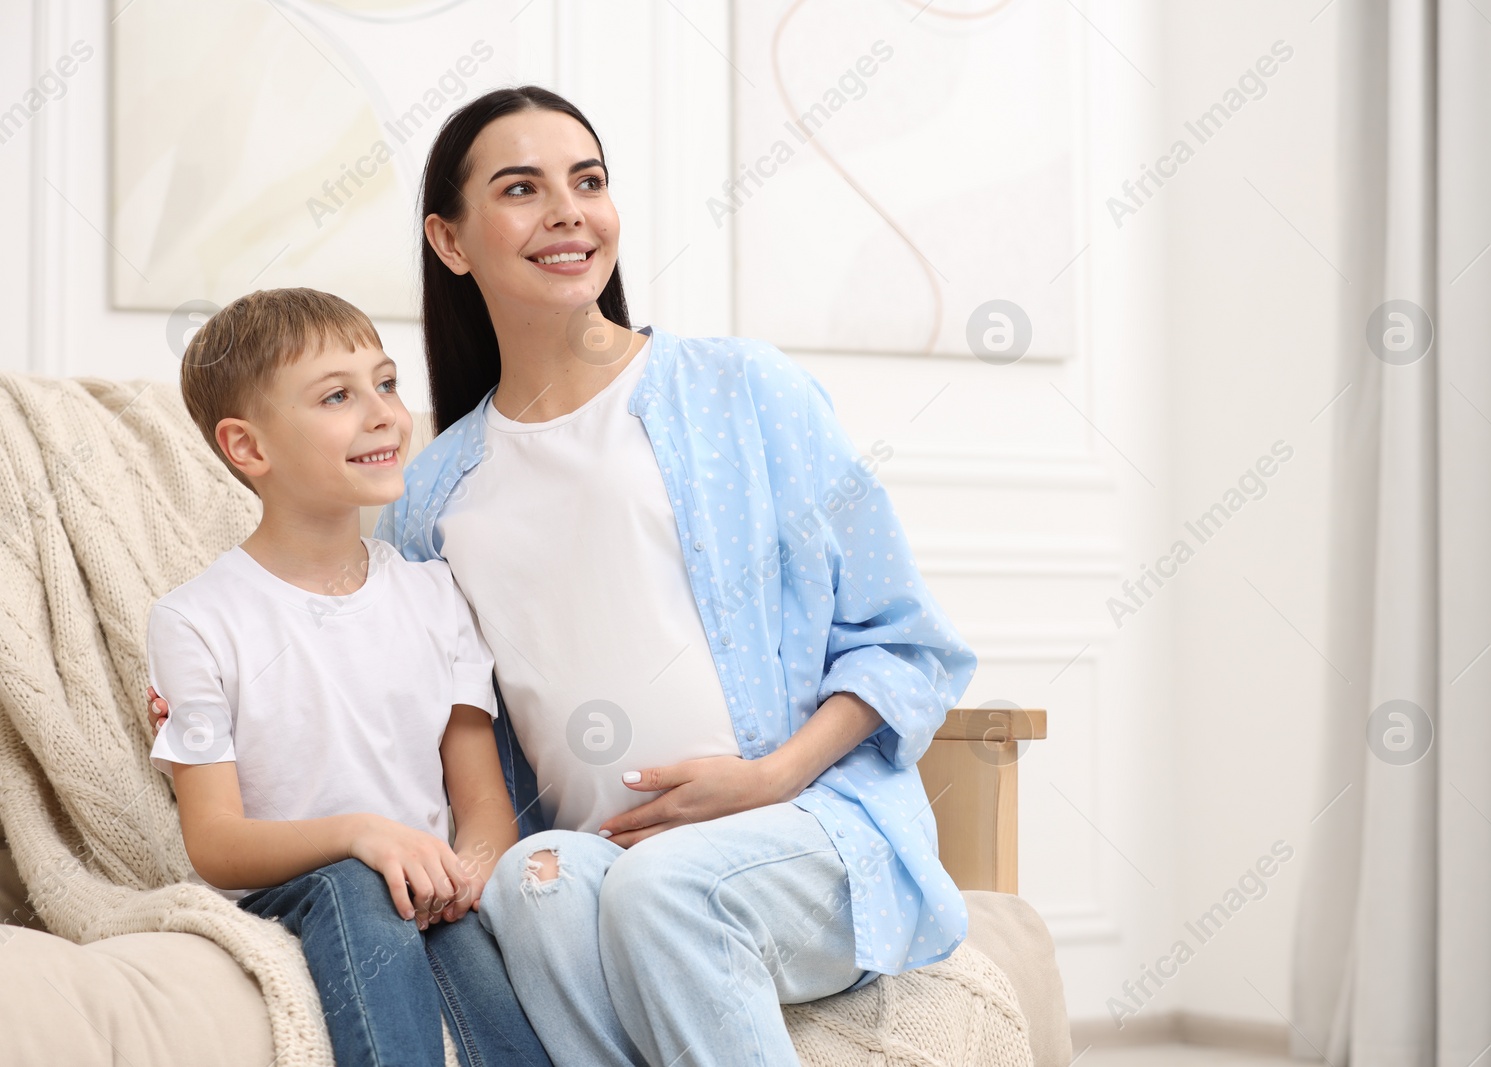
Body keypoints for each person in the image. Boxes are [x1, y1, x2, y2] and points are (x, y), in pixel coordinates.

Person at [154, 85, 977, 1067]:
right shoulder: (431, 496)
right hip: (597, 861)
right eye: (521, 187)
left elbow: (904, 641)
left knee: (669, 886)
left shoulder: (742, 390)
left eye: (586, 180)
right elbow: (427, 716)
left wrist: (768, 776)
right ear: (451, 242)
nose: (567, 211)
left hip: (805, 830)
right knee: (531, 881)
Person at [145, 287, 552, 1067]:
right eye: (338, 395)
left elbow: (482, 805)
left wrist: (461, 877)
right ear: (248, 447)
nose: (384, 414)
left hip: (428, 896)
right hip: (301, 892)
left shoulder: (436, 595)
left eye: (388, 383)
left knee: (477, 960)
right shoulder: (195, 620)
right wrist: (362, 836)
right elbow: (217, 841)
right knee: (357, 885)